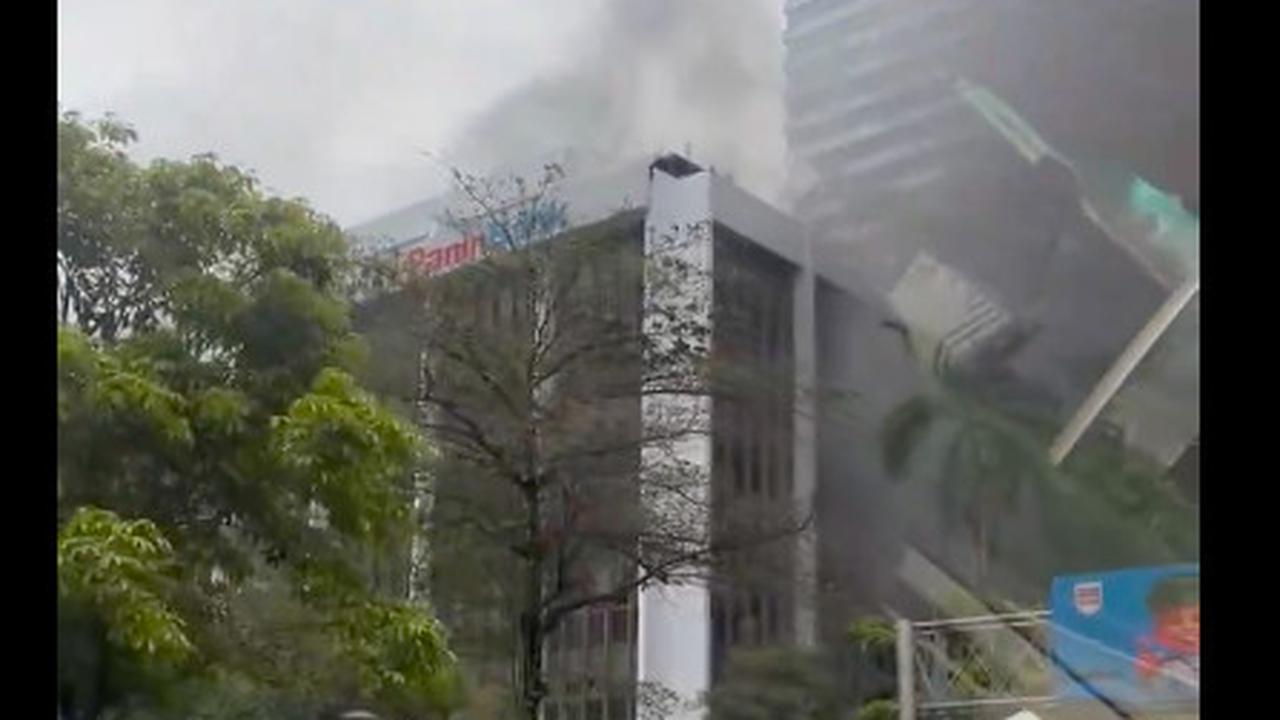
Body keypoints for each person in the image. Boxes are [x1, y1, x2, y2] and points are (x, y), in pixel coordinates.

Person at [1134, 574, 1199, 692]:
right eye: (1175, 621)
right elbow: (1157, 695)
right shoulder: (1169, 667)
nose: (1188, 627)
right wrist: (1148, 677)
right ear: (1158, 628)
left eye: (1197, 619)